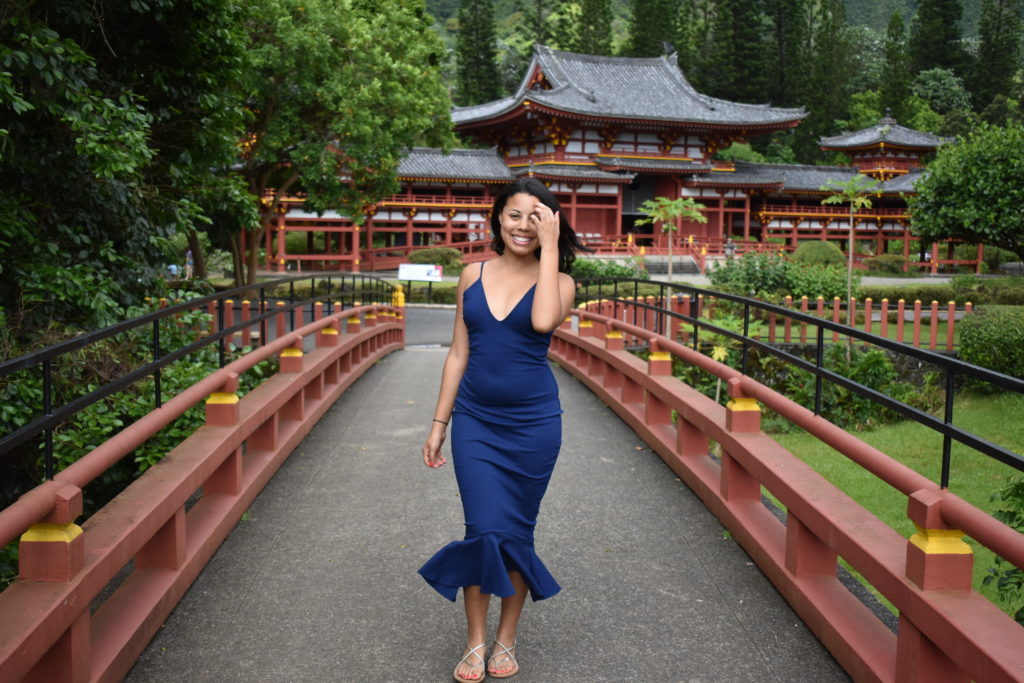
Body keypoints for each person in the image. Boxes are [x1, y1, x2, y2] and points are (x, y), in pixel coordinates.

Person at [419, 177, 591, 682]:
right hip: (475, 422)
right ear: (497, 218)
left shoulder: (559, 282)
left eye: (537, 217)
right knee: (483, 529)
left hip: (534, 427)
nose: (524, 226)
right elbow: (458, 353)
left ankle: (506, 639)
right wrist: (438, 423)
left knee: (516, 533)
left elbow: (541, 323)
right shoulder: (471, 275)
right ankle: (475, 641)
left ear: (551, 225)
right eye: (515, 214)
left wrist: (552, 246)